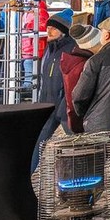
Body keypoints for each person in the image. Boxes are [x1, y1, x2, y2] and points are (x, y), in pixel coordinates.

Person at [33, 17, 78, 166]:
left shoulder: (71, 49)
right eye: (48, 27)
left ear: (63, 31)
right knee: (37, 143)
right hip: (48, 106)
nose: (49, 31)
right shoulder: (50, 49)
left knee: (78, 143)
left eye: (53, 28)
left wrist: (66, 103)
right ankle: (23, 176)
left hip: (64, 108)